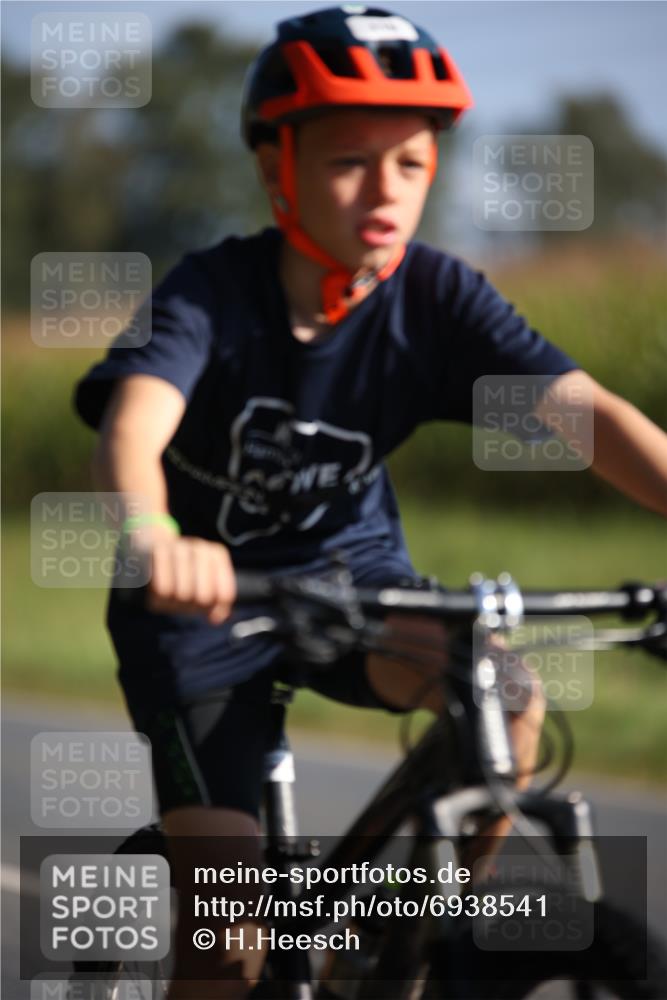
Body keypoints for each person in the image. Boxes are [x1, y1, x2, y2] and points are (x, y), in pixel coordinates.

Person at [74, 6, 667, 997]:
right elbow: (131, 429)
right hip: (201, 613)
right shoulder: (212, 295)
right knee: (226, 941)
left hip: (356, 586)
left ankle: (407, 948)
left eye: (410, 162)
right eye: (349, 162)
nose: (386, 189)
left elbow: (588, 419)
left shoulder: (435, 302)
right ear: (278, 168)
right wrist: (152, 535)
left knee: (504, 696)